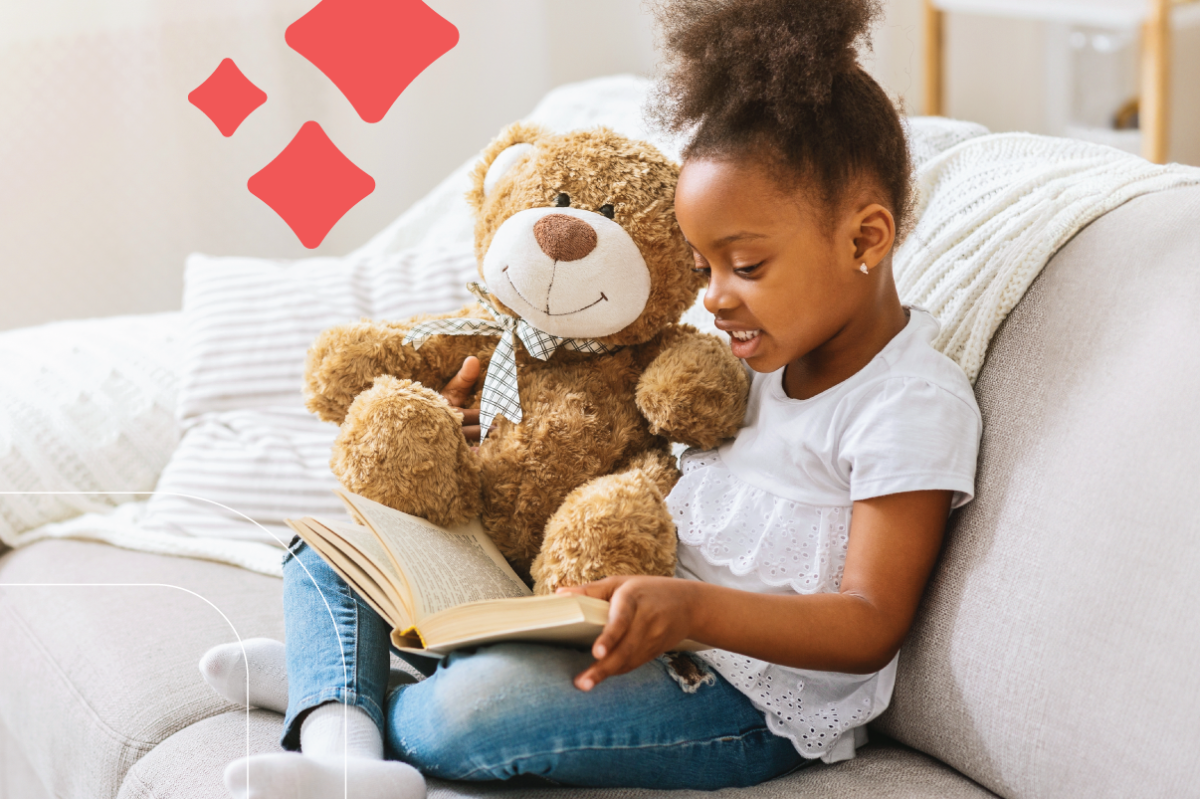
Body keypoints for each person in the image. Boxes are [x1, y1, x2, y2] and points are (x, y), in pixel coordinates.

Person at [199, 0, 982, 795]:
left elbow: (869, 622)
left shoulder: (908, 402)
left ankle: (337, 689)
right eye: (703, 267)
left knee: (471, 711)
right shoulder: (756, 357)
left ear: (865, 238)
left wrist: (690, 610)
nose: (713, 300)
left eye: (744, 266)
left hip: (738, 699)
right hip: (613, 619)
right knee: (338, 544)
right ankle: (342, 722)